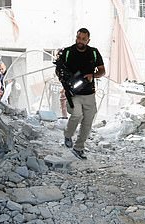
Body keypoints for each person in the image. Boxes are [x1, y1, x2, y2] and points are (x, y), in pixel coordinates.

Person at [54, 28, 105, 160]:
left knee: (88, 121)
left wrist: (92, 75)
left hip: (89, 93)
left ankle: (79, 148)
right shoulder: (68, 52)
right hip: (73, 93)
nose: (80, 41)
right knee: (76, 115)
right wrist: (65, 81)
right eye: (78, 38)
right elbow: (59, 69)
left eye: (83, 39)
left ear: (88, 40)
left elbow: (102, 71)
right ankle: (68, 135)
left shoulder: (93, 52)